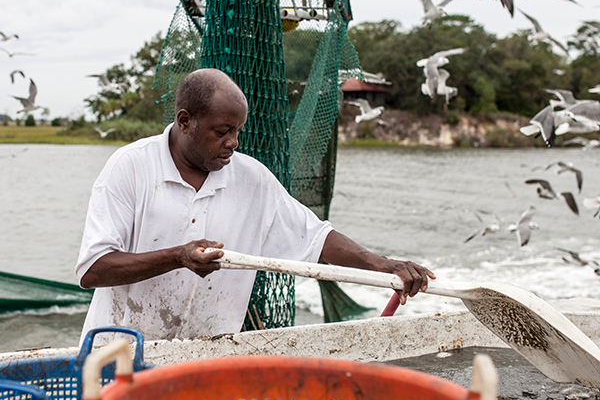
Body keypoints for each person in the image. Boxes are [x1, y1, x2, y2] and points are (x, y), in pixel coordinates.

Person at [76, 68, 435, 342]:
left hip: (204, 366)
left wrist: (382, 265)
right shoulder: (131, 167)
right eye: (222, 131)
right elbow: (93, 269)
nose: (233, 142)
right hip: (121, 359)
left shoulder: (252, 179)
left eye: (238, 131)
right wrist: (178, 257)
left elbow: (315, 238)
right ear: (185, 121)